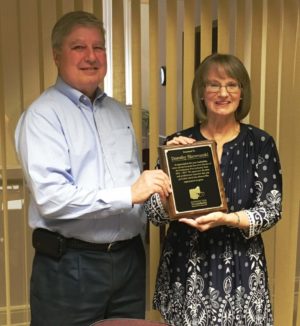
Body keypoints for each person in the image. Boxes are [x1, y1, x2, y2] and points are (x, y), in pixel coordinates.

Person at [15, 11, 171, 326]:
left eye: (98, 47)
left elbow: (135, 188)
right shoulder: (43, 116)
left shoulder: (118, 112)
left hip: (129, 261)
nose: (91, 57)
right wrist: (129, 194)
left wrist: (171, 184)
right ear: (57, 55)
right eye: (79, 47)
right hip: (71, 266)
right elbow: (54, 199)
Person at [144, 53, 282, 325]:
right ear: (201, 93)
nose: (223, 92)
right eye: (213, 85)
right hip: (187, 265)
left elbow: (271, 209)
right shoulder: (179, 144)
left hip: (240, 266)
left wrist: (227, 219)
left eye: (232, 84)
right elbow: (154, 215)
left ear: (242, 92)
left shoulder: (260, 143)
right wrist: (167, 174)